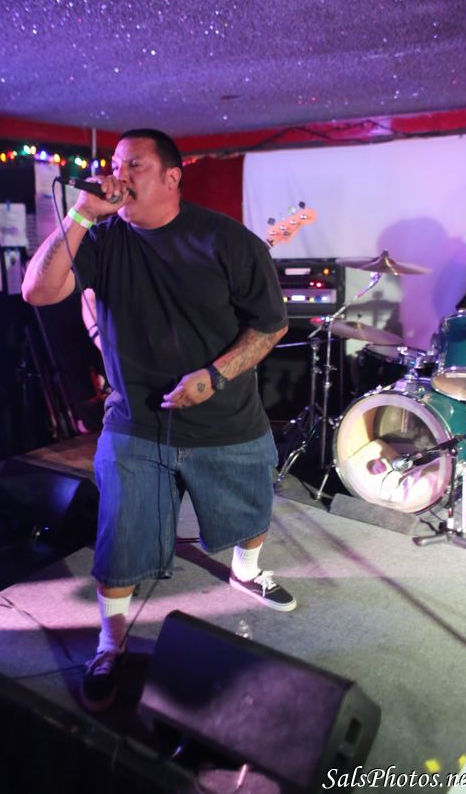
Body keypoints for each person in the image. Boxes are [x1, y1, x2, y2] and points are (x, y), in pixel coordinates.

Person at [22, 128, 294, 713]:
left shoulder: (228, 240)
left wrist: (215, 376)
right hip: (135, 422)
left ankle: (247, 571)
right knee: (119, 540)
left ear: (172, 177)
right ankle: (110, 644)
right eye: (114, 164)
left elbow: (271, 325)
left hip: (227, 415)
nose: (117, 175)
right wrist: (80, 214)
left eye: (134, 165)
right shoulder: (102, 238)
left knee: (250, 510)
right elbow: (38, 292)